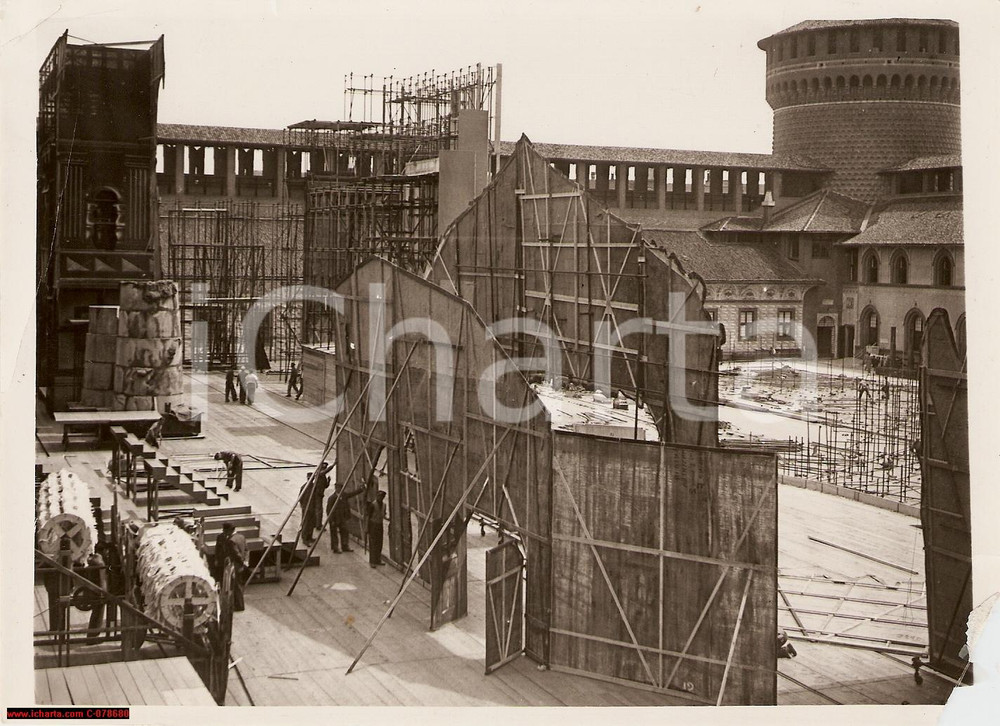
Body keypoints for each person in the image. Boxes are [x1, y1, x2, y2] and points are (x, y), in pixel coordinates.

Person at [214, 523, 246, 612]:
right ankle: (237, 604)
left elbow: (236, 554)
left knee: (235, 585)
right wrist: (245, 562)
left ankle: (238, 605)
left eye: (225, 531)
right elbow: (246, 549)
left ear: (229, 531)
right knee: (237, 584)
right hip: (236, 564)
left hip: (234, 565)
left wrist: (240, 561)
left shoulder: (231, 541)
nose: (224, 532)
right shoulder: (241, 537)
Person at [299, 461, 333, 544]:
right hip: (307, 507)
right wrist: (304, 506)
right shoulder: (305, 487)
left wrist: (328, 481)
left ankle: (309, 537)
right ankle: (305, 538)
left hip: (312, 507)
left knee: (311, 523)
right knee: (306, 523)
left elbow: (323, 487)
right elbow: (301, 498)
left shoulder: (314, 487)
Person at [326, 483, 365, 552]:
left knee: (344, 532)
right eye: (338, 488)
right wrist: (331, 520)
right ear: (336, 489)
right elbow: (328, 510)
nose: (340, 489)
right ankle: (335, 547)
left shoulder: (344, 495)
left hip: (342, 518)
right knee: (334, 534)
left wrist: (361, 489)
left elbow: (352, 494)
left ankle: (345, 546)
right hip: (335, 519)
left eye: (341, 488)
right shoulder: (332, 498)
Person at [366, 490, 387, 567]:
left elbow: (383, 514)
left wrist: (387, 519)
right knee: (373, 543)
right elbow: (368, 517)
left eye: (382, 497)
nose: (380, 498)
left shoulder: (384, 505)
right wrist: (367, 528)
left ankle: (378, 559)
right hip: (373, 525)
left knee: (379, 543)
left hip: (379, 525)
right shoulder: (373, 505)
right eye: (379, 496)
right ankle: (372, 561)